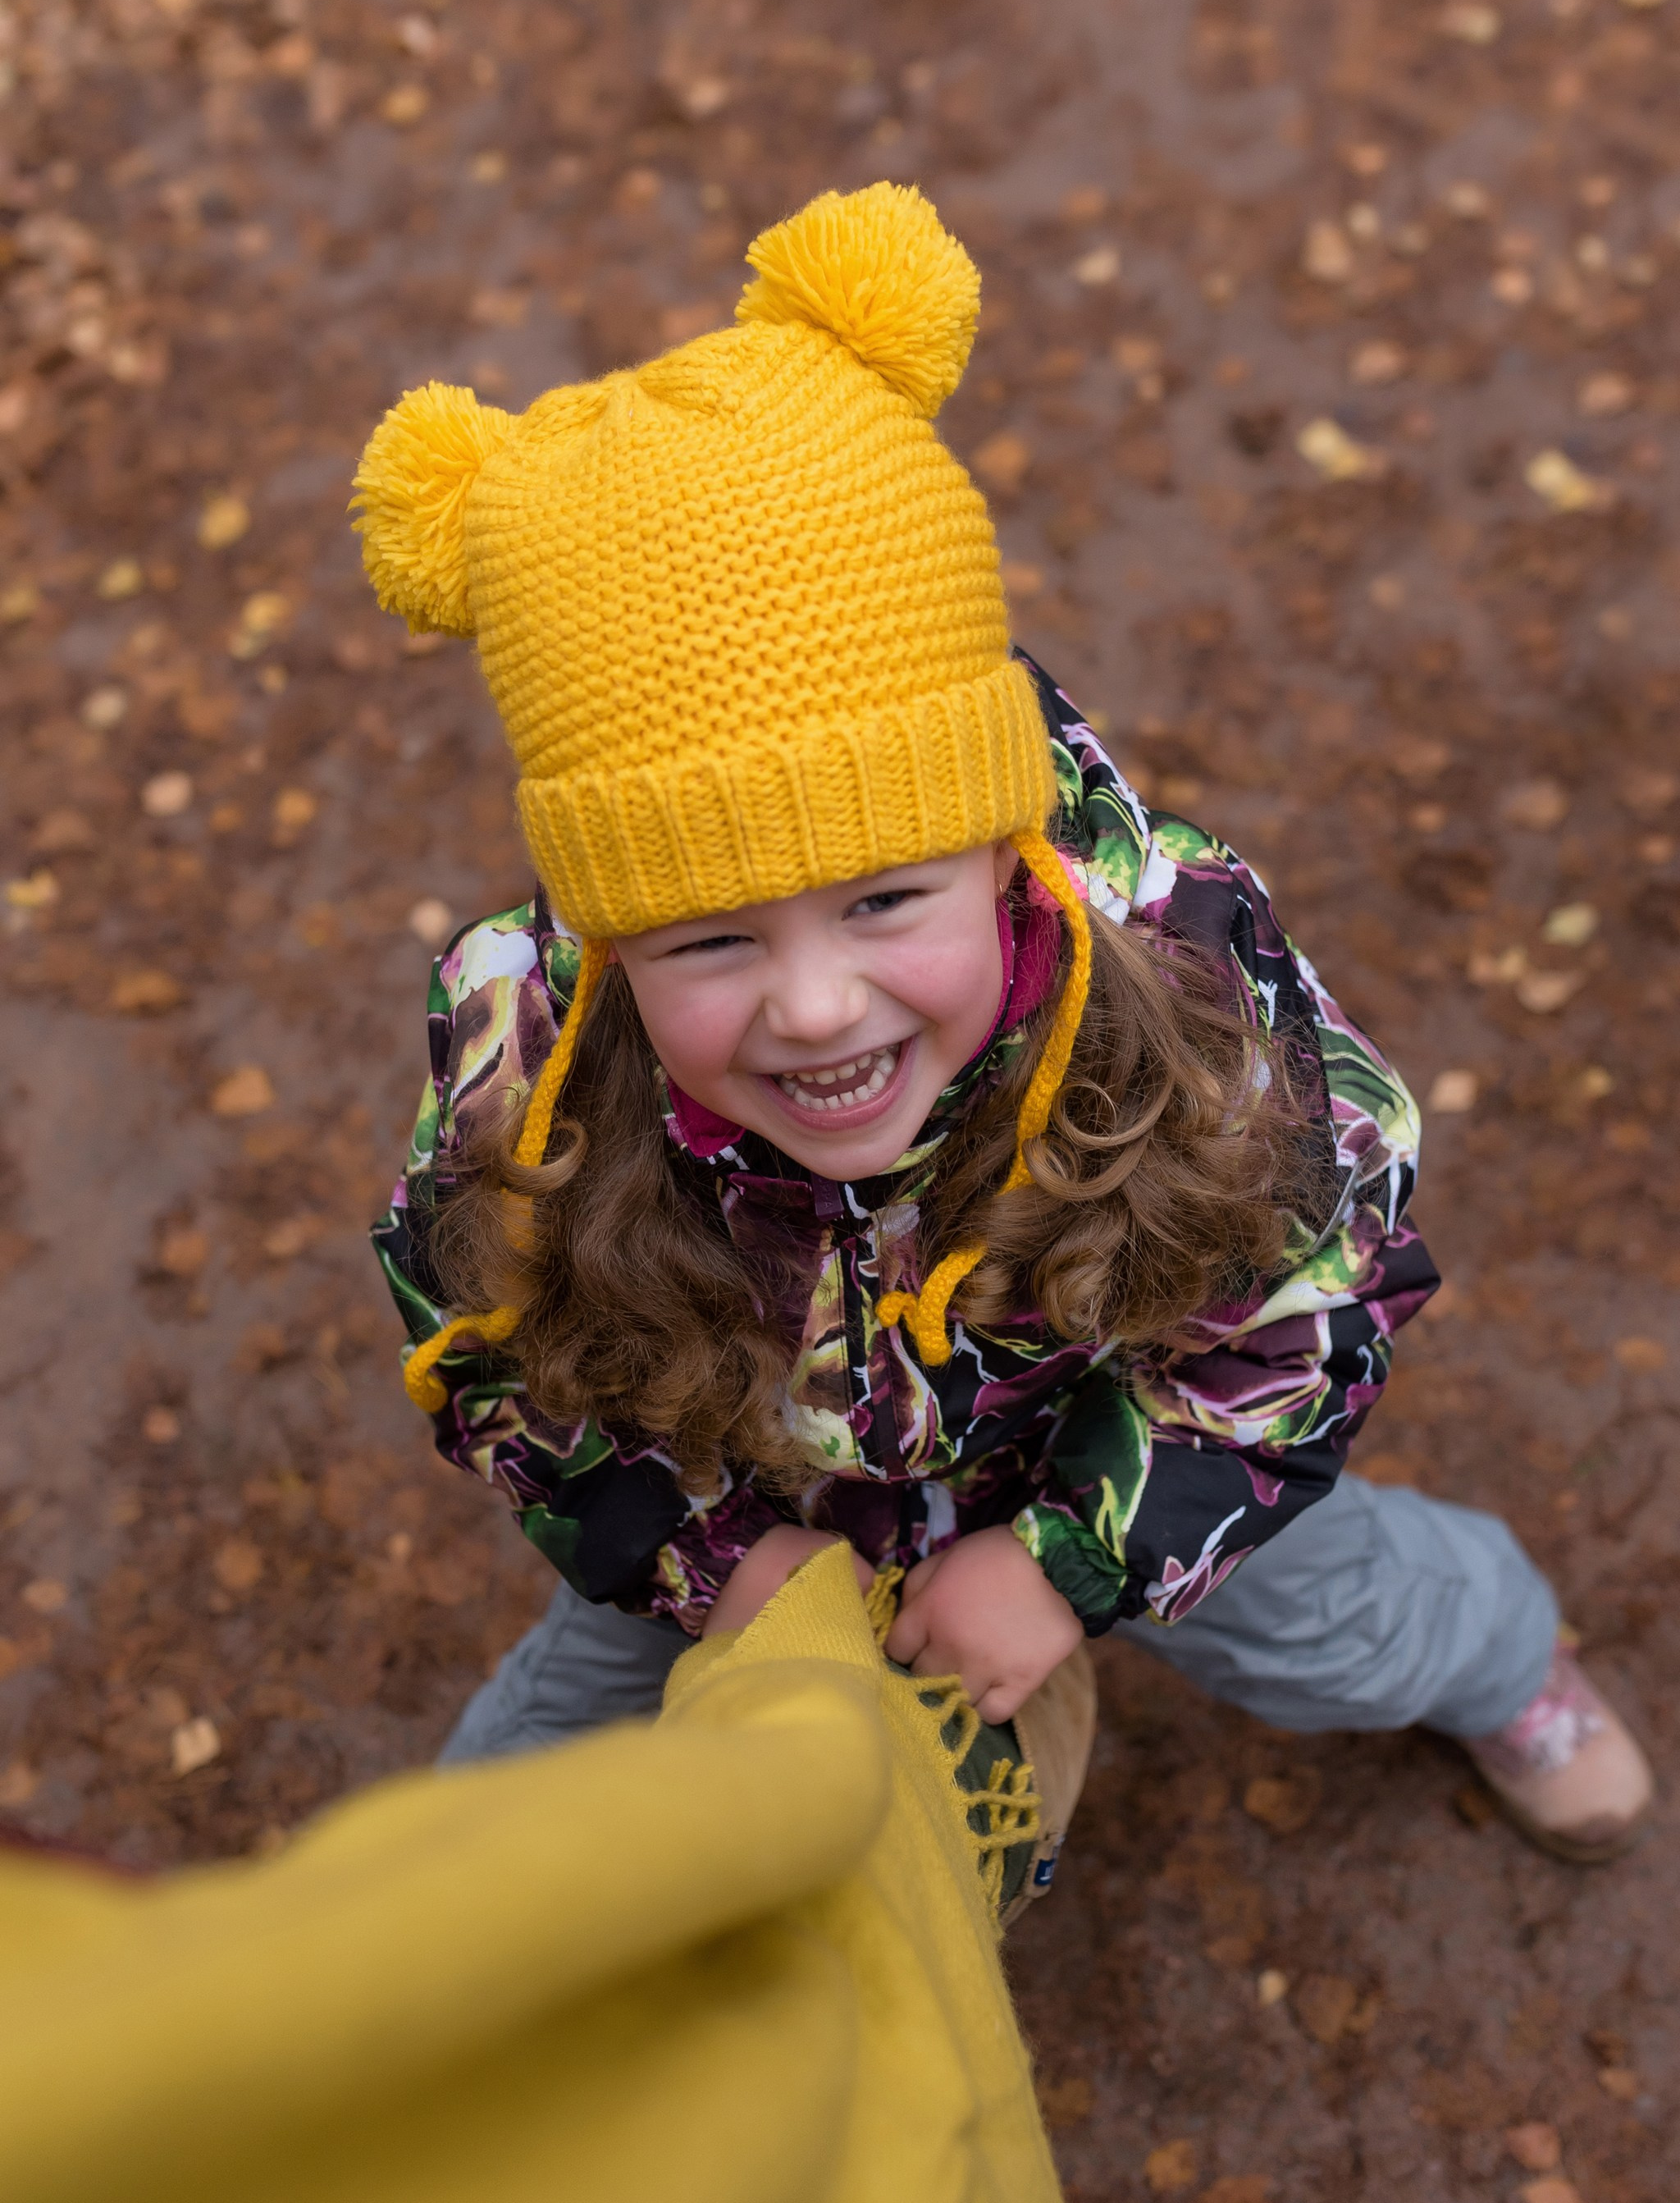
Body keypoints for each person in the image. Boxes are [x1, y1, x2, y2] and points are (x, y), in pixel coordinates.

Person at [355, 181, 1651, 1869]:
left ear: (993, 839)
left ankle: (1502, 1663)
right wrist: (716, 1560)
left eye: (885, 900)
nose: (815, 1004)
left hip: (1100, 1437)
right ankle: (474, 1951)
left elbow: (1310, 1289)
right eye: (712, 937)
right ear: (605, 927)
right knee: (528, 1789)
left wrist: (1066, 1560)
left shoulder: (1177, 976)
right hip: (753, 1490)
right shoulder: (523, 1048)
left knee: (1335, 1618)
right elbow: (490, 1344)